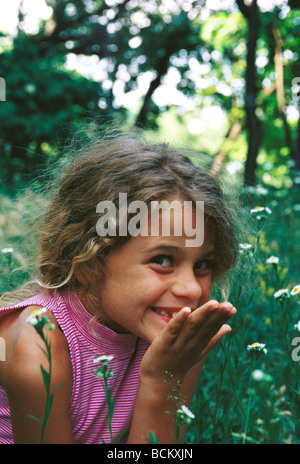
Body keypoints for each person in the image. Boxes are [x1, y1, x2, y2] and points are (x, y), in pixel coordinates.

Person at [0, 132, 239, 444]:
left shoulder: (177, 338)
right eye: (163, 259)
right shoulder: (38, 345)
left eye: (203, 265)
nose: (192, 289)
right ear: (89, 262)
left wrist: (164, 378)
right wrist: (161, 383)